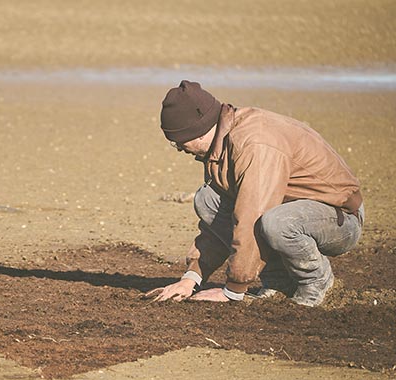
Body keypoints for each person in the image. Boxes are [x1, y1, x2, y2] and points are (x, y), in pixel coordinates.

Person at [145, 80, 364, 306]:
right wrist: (192, 277)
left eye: (178, 142)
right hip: (289, 209)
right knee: (208, 199)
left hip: (341, 218)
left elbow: (251, 215)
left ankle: (317, 281)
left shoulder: (254, 144)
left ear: (198, 131)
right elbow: (217, 227)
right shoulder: (219, 144)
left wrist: (233, 290)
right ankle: (280, 283)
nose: (180, 149)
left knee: (276, 222)